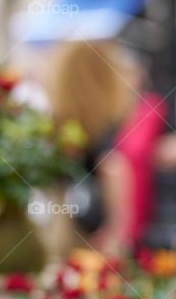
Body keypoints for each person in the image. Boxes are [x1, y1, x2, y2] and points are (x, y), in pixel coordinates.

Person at [46, 40, 167, 256]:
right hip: (94, 243)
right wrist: (116, 233)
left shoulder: (63, 132)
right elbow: (113, 169)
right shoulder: (109, 130)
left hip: (73, 237)